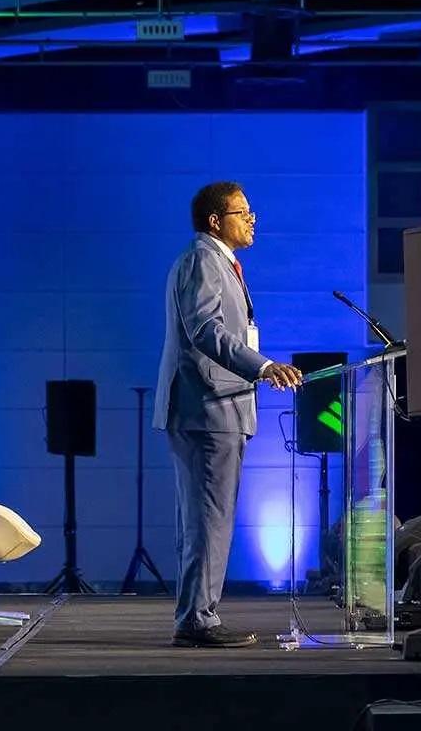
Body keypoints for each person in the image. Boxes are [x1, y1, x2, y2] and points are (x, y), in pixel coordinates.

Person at [154, 181, 304, 648]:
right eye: (243, 212)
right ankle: (197, 619)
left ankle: (199, 613)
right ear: (216, 220)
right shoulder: (203, 259)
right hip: (206, 409)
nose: (252, 220)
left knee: (208, 518)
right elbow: (205, 330)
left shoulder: (222, 263)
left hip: (220, 408)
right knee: (207, 519)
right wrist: (263, 367)